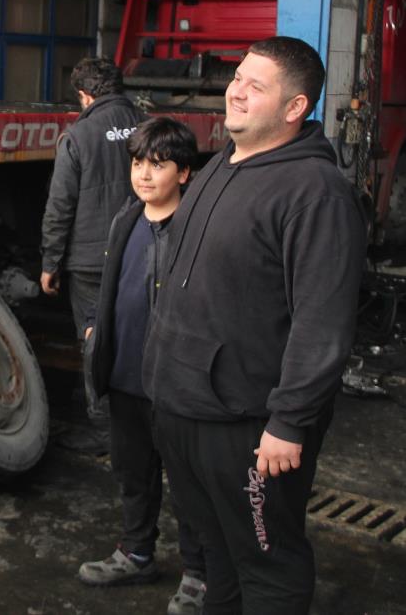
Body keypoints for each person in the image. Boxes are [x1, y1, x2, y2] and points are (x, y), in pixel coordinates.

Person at [142, 36, 367, 613]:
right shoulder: (220, 165)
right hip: (183, 407)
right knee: (217, 555)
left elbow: (323, 321)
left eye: (255, 85)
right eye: (237, 76)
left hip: (248, 426)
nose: (235, 90)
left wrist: (289, 420)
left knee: (268, 564)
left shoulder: (315, 193)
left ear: (294, 108)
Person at [77, 117, 205, 614]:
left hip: (175, 385)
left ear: (185, 173)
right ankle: (136, 553)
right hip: (126, 378)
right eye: (137, 163)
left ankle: (199, 575)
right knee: (134, 475)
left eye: (159, 164)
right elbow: (107, 283)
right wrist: (93, 325)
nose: (145, 175)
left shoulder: (195, 230)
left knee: (190, 483)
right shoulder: (126, 220)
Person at [40, 57, 147, 417]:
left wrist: (50, 263)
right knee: (138, 335)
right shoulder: (146, 126)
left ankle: (104, 428)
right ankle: (141, 423)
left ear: (85, 97)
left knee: (94, 340)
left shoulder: (78, 136)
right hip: (140, 253)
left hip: (90, 262)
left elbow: (60, 206)